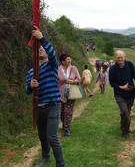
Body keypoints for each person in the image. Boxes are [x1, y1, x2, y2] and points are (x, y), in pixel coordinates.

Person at [24, 28, 64, 167]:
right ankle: (45, 157)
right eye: (39, 48)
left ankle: (60, 163)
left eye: (43, 48)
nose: (41, 49)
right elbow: (26, 91)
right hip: (39, 107)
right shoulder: (31, 71)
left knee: (51, 137)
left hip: (53, 104)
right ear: (35, 52)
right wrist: (30, 85)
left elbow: (53, 54)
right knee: (42, 136)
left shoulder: (52, 65)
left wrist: (42, 38)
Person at [108, 50, 135, 137]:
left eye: (121, 57)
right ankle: (125, 132)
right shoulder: (112, 69)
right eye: (118, 58)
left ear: (125, 57)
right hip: (119, 94)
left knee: (127, 111)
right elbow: (111, 83)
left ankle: (123, 126)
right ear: (115, 58)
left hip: (130, 93)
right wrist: (120, 87)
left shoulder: (130, 65)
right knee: (124, 112)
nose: (120, 59)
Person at [58, 53, 81, 137]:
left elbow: (79, 79)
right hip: (60, 94)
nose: (69, 60)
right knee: (61, 112)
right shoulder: (58, 69)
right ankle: (64, 124)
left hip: (71, 93)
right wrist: (63, 82)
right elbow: (56, 81)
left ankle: (67, 129)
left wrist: (73, 81)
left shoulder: (74, 68)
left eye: (70, 59)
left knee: (68, 111)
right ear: (63, 61)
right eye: (68, 59)